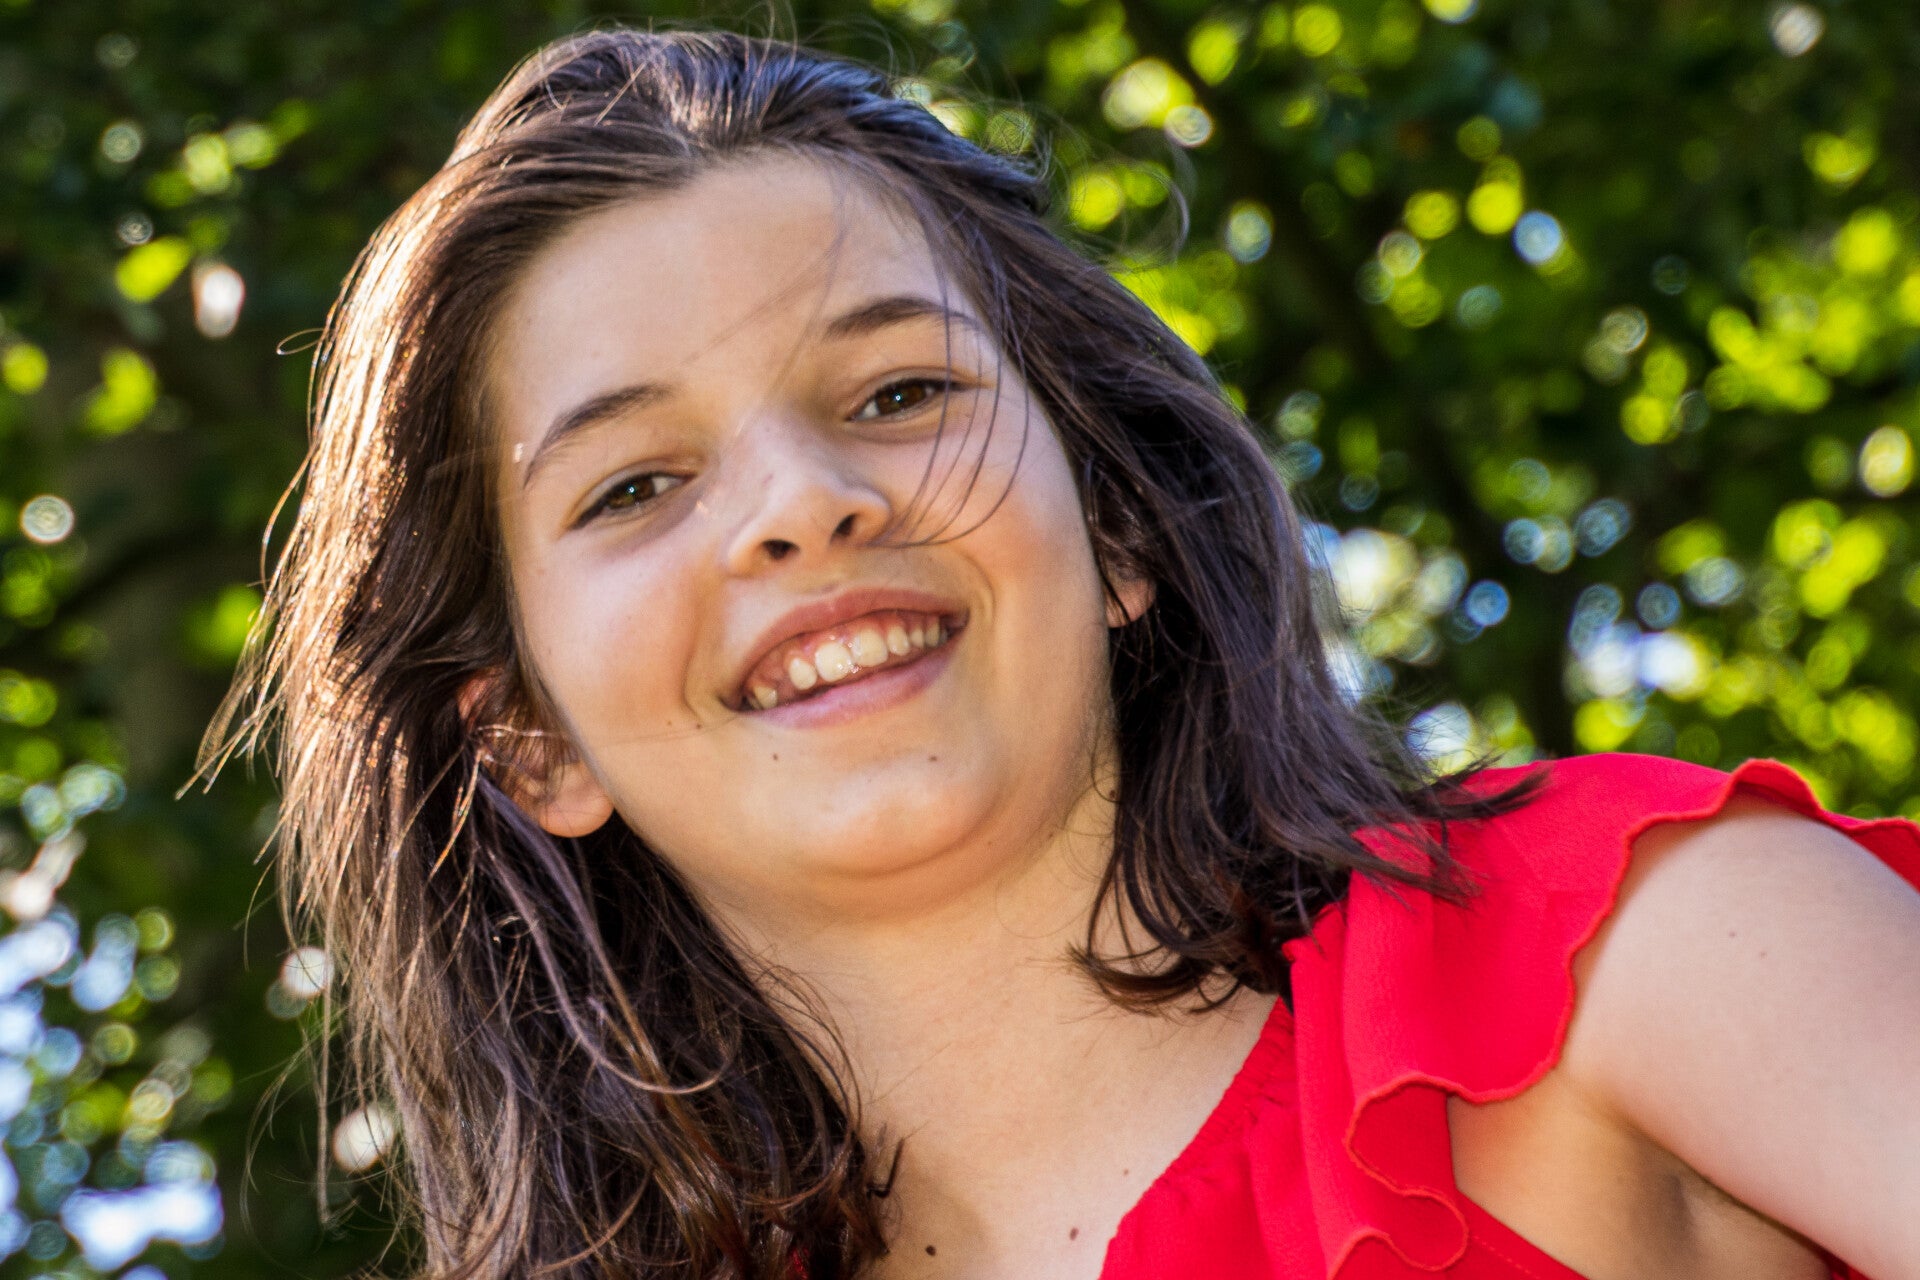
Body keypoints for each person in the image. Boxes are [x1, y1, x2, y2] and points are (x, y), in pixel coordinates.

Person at [207, 26, 1920, 1280]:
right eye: (636, 484)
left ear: (1115, 526)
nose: (802, 505)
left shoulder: (1641, 949)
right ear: (526, 738)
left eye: (900, 392)